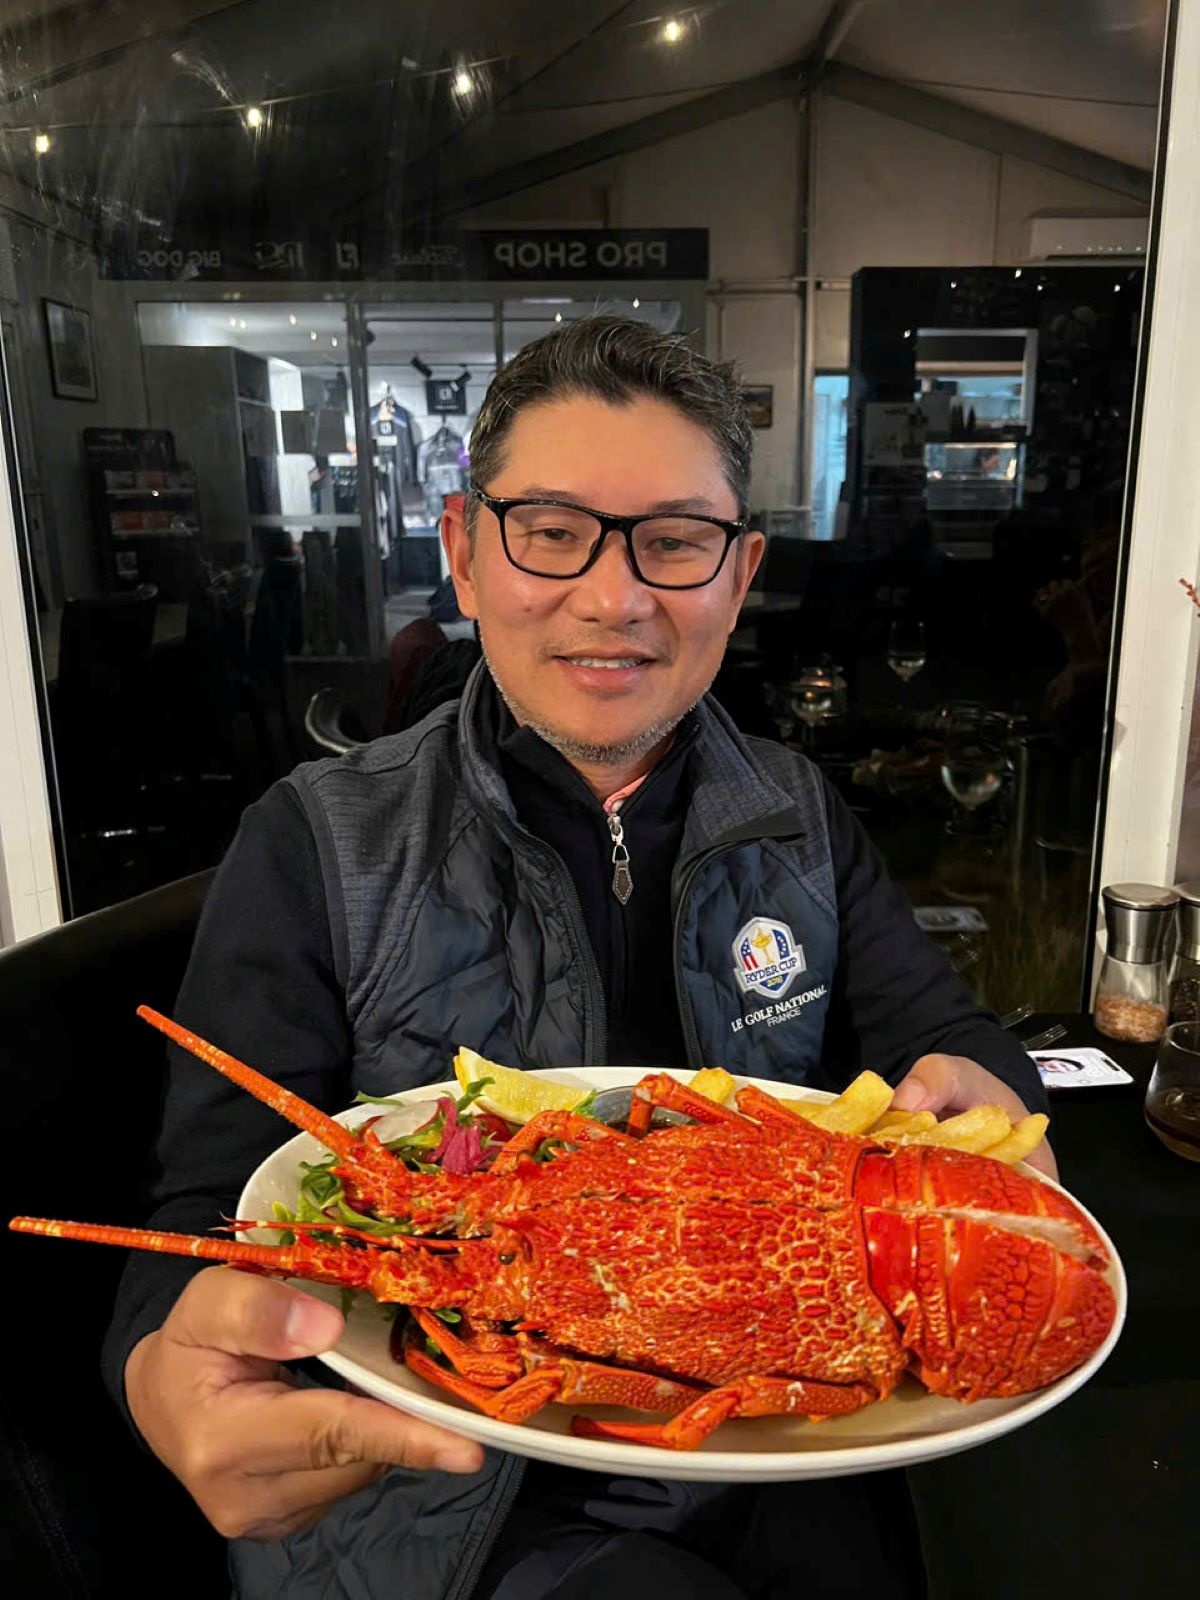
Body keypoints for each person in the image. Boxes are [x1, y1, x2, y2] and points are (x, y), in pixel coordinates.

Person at [103, 317, 1052, 1599]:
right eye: (551, 532)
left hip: (788, 1436)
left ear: (741, 573)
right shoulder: (313, 841)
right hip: (446, 1490)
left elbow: (949, 1038)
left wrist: (990, 1092)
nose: (613, 598)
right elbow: (207, 1207)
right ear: (462, 553)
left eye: (676, 540)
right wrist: (161, 1368)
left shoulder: (800, 815)